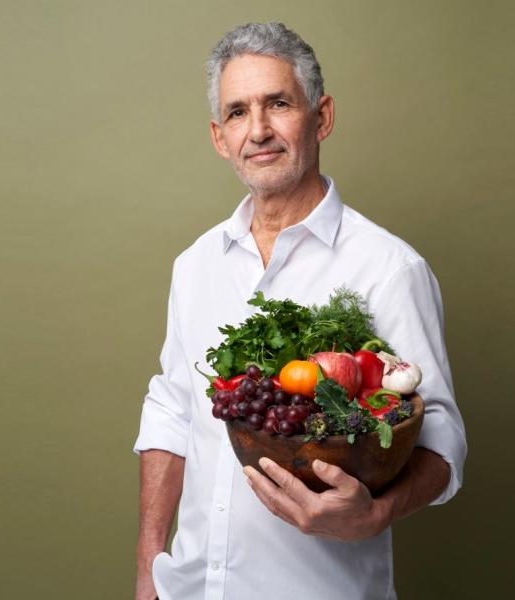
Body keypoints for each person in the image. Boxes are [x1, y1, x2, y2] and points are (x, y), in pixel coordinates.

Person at [134, 22, 467, 600]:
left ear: (322, 116)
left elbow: (441, 436)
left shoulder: (388, 267)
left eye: (278, 104)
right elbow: (172, 410)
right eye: (237, 113)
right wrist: (148, 563)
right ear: (219, 136)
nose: (258, 130)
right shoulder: (195, 264)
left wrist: (377, 512)